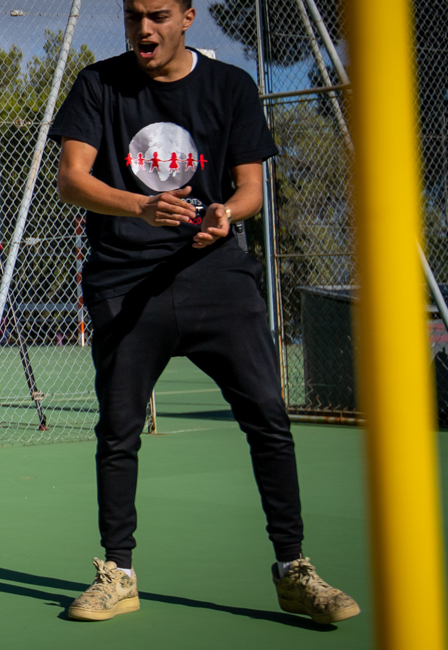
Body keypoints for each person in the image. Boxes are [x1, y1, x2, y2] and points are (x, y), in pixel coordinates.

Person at [50, 0, 358, 624]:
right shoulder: (98, 85)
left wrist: (226, 214)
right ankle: (118, 574)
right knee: (119, 429)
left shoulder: (230, 86)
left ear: (188, 17)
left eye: (158, 15)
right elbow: (72, 180)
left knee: (268, 416)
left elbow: (250, 189)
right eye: (133, 15)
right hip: (125, 278)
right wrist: (139, 207)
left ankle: (294, 569)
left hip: (214, 274)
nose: (143, 28)